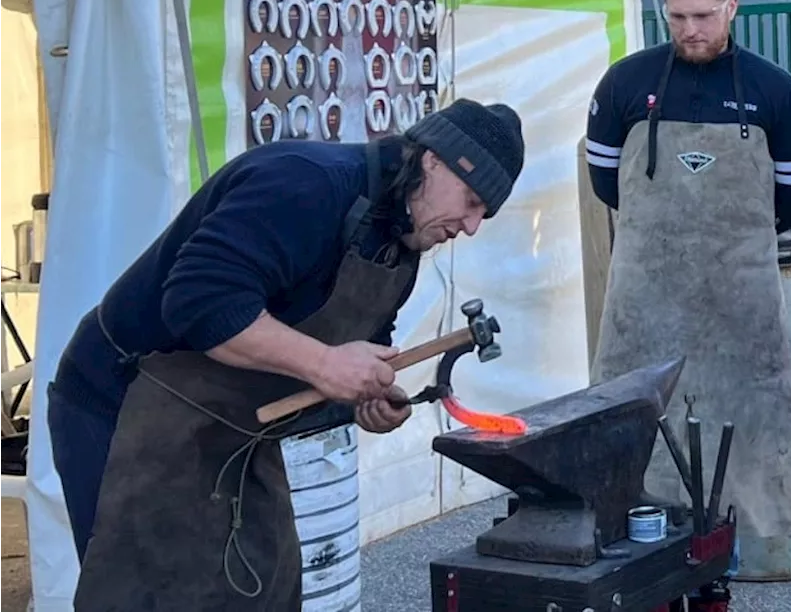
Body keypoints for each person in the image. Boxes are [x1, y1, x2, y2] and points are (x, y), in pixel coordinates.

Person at [46, 99, 525, 609]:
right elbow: (199, 300)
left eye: (484, 215)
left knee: (264, 588)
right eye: (471, 201)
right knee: (147, 593)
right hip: (122, 407)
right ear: (432, 159)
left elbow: (349, 347)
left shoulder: (399, 241)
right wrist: (325, 365)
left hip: (234, 433)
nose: (471, 226)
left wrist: (362, 397)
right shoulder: (306, 185)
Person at [586, 0, 791, 602]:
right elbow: (608, 184)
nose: (691, 30)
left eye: (704, 15)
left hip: (739, 314)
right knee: (640, 452)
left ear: (731, 8)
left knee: (736, 460)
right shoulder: (623, 87)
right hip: (643, 309)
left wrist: (728, 246)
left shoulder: (778, 93)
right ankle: (648, 584)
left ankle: (719, 576)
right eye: (678, 16)